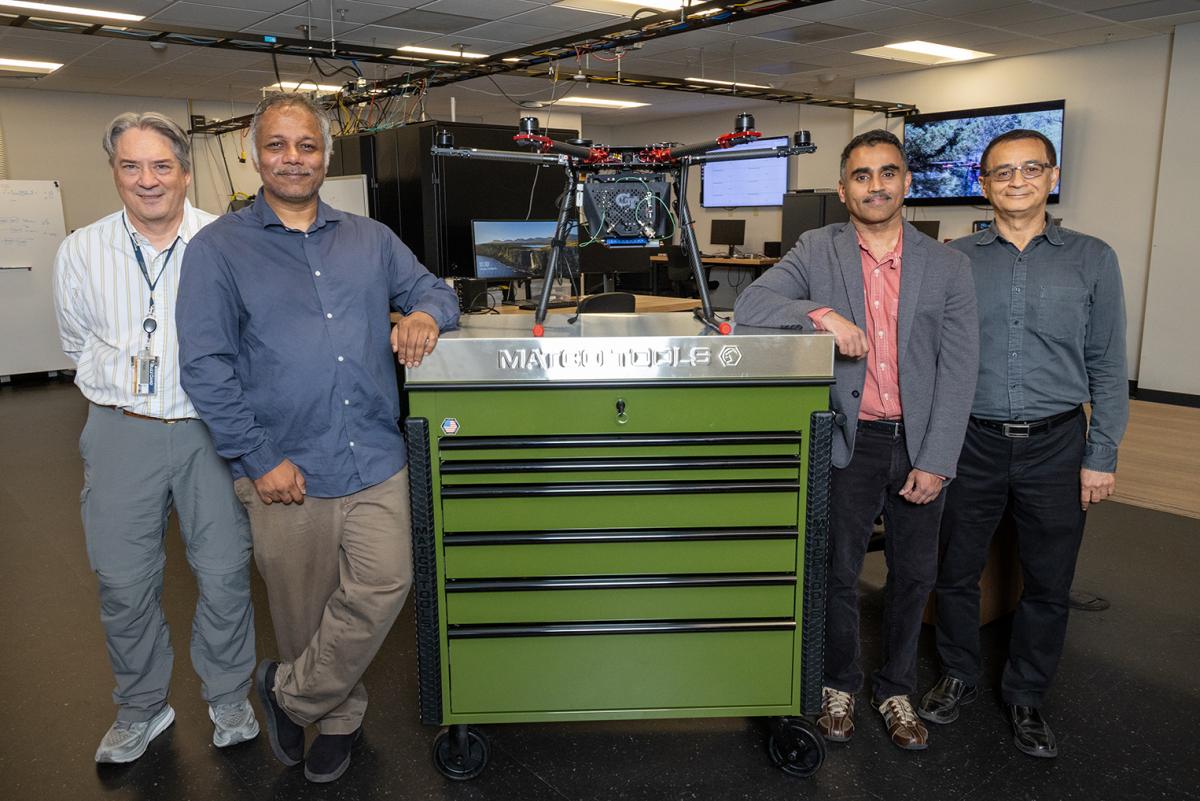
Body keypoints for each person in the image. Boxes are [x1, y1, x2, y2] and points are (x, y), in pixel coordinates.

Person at [176, 92, 459, 783]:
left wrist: (423, 314)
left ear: (325, 157)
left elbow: (439, 292)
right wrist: (258, 457)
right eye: (277, 145)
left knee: (385, 583)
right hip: (286, 466)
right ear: (255, 154)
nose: (293, 158)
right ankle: (337, 721)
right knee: (304, 613)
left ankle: (289, 694)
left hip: (376, 457)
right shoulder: (219, 249)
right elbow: (205, 366)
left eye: (307, 145)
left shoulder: (370, 239)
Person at [734, 129, 978, 751]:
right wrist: (822, 315)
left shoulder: (948, 265)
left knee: (913, 575)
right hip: (850, 441)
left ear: (907, 182)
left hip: (919, 442)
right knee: (838, 571)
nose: (876, 186)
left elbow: (959, 370)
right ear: (843, 190)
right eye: (862, 176)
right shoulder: (818, 249)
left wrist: (938, 459)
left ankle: (895, 688)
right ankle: (837, 683)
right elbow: (752, 304)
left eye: (887, 173)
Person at [52, 112, 258, 764]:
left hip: (210, 431)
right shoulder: (82, 250)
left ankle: (229, 695)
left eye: (161, 165)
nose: (148, 180)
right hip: (122, 431)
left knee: (225, 573)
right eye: (131, 166)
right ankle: (142, 706)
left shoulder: (225, 242)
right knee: (123, 581)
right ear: (114, 172)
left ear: (184, 172)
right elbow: (76, 340)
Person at [918, 130, 1128, 759]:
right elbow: (930, 359)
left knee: (1048, 581)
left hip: (1057, 444)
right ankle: (958, 671)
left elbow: (1108, 364)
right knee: (955, 571)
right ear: (984, 184)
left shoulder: (1093, 258)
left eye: (1031, 168)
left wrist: (1101, 455)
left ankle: (1027, 693)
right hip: (970, 442)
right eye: (1002, 171)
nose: (1017, 181)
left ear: (1052, 177)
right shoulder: (953, 259)